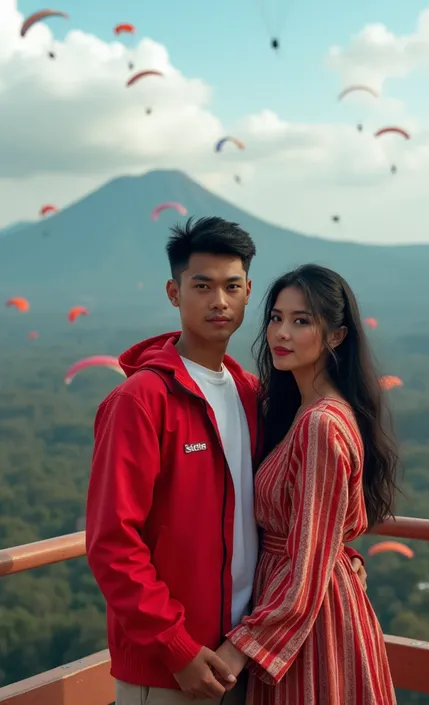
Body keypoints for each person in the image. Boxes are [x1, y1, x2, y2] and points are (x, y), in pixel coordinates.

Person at [86, 218, 367, 705]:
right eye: (202, 286)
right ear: (174, 293)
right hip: (172, 667)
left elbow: (296, 504)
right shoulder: (142, 400)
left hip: (246, 657)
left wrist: (338, 557)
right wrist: (176, 648)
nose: (219, 300)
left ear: (248, 292)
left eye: (232, 286)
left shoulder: (251, 395)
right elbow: (112, 543)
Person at [214, 264, 399, 704]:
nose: (282, 333)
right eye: (276, 317)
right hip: (304, 601)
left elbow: (309, 559)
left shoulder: (321, 425)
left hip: (309, 622)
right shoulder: (301, 410)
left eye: (301, 321)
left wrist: (241, 647)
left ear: (336, 335)